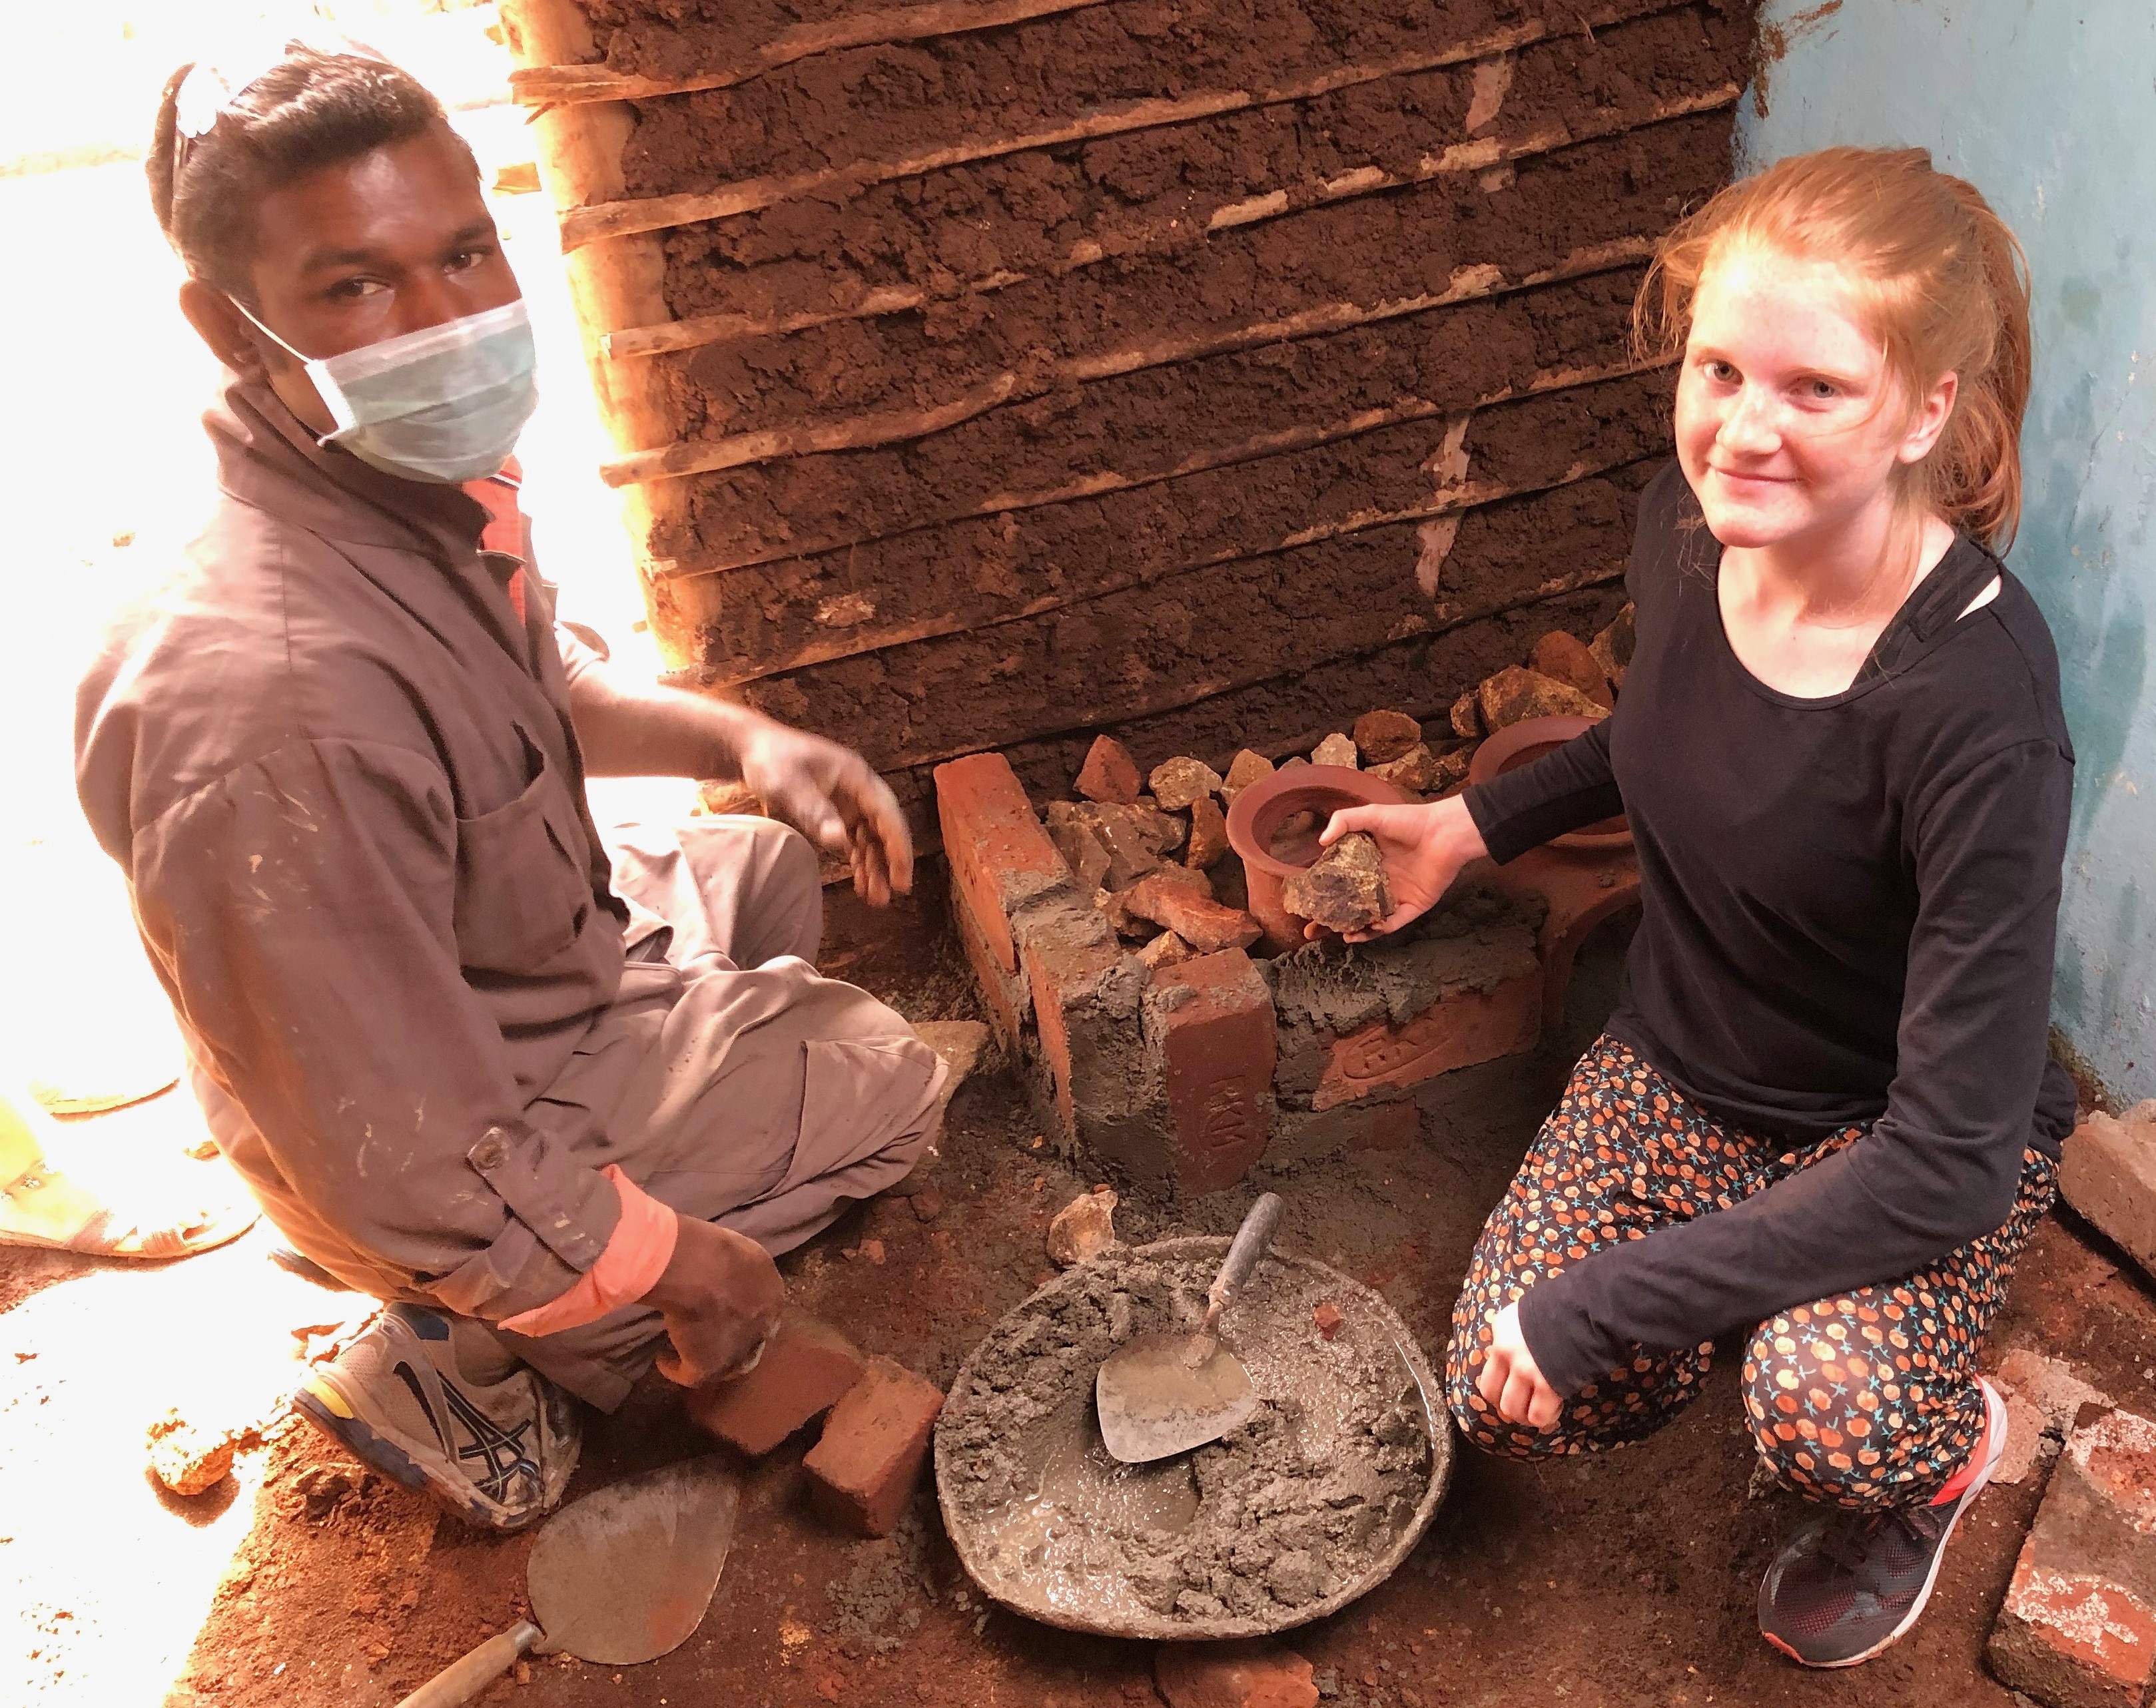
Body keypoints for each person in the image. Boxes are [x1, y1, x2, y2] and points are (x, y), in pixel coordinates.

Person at [75, 42, 949, 1532]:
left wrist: (749, 743)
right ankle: (457, 1357)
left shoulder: (400, 487)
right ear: (230, 331)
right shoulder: (276, 707)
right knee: (889, 1081)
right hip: (402, 1132)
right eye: (357, 286)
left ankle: (641, 1135)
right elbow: (397, 1152)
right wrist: (685, 1262)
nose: (447, 321)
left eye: (466, 252)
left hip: (508, 973)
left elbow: (535, 693)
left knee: (769, 871)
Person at [1324, 146, 2076, 1668]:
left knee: (1825, 1407)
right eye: (1717, 368)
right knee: (1502, 1381)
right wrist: (1467, 825)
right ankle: (1746, 1292)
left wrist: (1618, 1293)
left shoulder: (1973, 705)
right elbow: (1661, 732)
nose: (1741, 428)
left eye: (1812, 390)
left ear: (1928, 408)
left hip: (1887, 1133)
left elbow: (1943, 1157)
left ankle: (1927, 1460)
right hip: (1682, 1073)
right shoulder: (1691, 522)